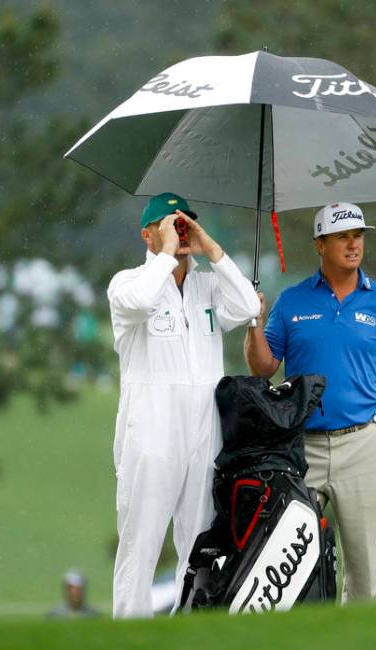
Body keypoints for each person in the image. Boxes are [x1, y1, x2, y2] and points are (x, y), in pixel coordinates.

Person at [245, 201, 376, 603]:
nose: (353, 245)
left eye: (358, 236)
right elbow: (264, 367)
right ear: (320, 244)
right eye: (342, 237)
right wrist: (255, 321)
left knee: (363, 572)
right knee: (284, 560)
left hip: (362, 446)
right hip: (301, 448)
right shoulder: (293, 301)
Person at [107, 192, 260, 618]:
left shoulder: (208, 286)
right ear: (147, 234)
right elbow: (138, 302)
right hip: (152, 428)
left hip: (203, 425)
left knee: (198, 541)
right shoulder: (127, 283)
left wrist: (211, 249)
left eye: (185, 223)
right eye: (169, 224)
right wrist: (167, 255)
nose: (179, 230)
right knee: (142, 539)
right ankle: (129, 634)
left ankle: (186, 629)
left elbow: (248, 307)